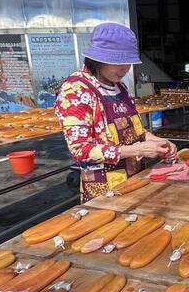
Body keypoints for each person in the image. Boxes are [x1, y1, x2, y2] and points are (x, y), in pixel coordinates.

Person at [55, 23, 177, 202]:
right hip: (103, 188)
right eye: (117, 61)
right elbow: (82, 150)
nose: (125, 68)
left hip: (135, 178)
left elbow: (135, 132)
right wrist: (137, 149)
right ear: (97, 59)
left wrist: (158, 142)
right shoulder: (76, 91)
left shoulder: (120, 88)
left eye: (128, 62)